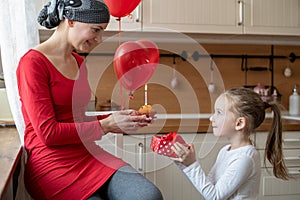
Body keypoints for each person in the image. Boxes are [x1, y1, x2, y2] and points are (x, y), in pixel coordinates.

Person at [16, 0, 163, 199]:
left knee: (148, 195)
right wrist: (106, 124)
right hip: (51, 163)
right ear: (70, 21)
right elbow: (48, 133)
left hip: (86, 154)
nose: (99, 39)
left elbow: (77, 119)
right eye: (95, 30)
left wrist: (120, 120)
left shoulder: (78, 62)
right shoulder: (32, 63)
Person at [170, 88, 290, 199]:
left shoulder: (244, 158)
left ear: (239, 123)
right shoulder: (225, 150)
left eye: (219, 112)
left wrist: (192, 165)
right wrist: (185, 163)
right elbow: (208, 187)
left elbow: (214, 196)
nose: (212, 118)